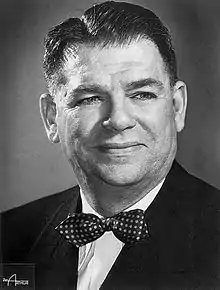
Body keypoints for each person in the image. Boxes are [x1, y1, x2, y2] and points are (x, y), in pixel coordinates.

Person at [2, 1, 220, 289]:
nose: (118, 120)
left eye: (142, 94)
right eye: (90, 98)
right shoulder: (9, 236)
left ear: (177, 107)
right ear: (52, 118)